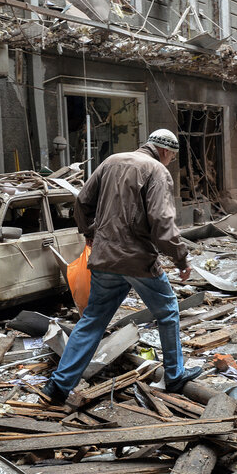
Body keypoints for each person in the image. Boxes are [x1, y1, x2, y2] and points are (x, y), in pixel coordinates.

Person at [42, 129, 202, 405]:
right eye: (172, 157)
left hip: (105, 257)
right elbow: (162, 221)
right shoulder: (156, 170)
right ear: (165, 151)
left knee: (92, 321)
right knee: (168, 311)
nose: (170, 162)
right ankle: (175, 375)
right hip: (137, 259)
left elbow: (82, 201)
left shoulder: (111, 161)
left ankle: (58, 387)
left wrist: (89, 231)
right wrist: (181, 258)